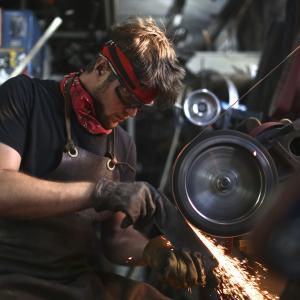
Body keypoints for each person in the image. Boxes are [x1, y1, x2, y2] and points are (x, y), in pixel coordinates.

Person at [0, 17, 208, 300]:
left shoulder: (122, 145)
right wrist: (98, 192)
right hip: (11, 274)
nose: (132, 113)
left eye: (140, 107)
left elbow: (116, 237)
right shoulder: (25, 97)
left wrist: (151, 251)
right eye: (127, 99)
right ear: (101, 68)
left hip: (77, 281)